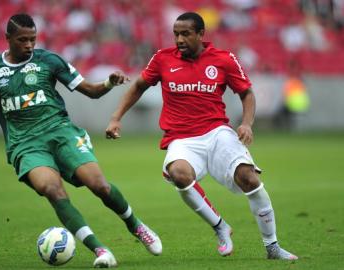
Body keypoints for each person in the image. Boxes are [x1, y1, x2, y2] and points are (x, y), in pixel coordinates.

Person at [0, 13, 162, 268]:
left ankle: (136, 226)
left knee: (99, 185)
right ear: (8, 39)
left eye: (33, 39)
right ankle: (100, 250)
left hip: (61, 133)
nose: (29, 45)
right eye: (22, 40)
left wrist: (108, 83)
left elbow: (91, 92)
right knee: (52, 189)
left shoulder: (48, 60)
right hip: (25, 145)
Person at [106, 12, 298, 260]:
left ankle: (272, 247)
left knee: (248, 178)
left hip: (217, 132)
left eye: (185, 33)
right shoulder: (163, 59)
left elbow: (247, 93)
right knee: (179, 174)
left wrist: (247, 123)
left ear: (200, 34)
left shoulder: (223, 59)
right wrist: (115, 117)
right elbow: (139, 85)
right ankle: (220, 227)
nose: (179, 39)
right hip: (181, 138)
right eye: (176, 34)